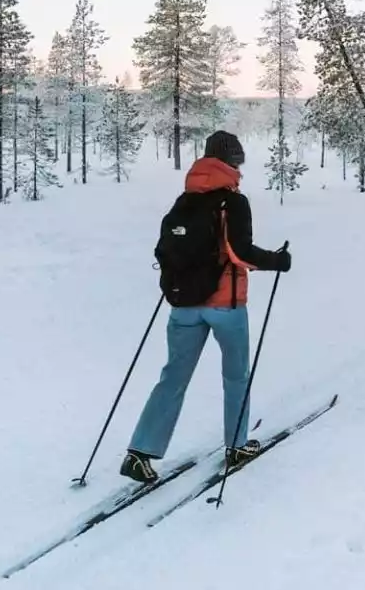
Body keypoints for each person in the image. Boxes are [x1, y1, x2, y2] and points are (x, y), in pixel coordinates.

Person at [122, 131, 291, 484]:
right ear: (231, 161)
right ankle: (237, 446)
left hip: (183, 305)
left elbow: (165, 250)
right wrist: (278, 261)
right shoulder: (233, 202)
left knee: (173, 378)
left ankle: (140, 452)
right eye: (238, 160)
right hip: (226, 306)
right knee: (235, 377)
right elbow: (240, 253)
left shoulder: (185, 199)